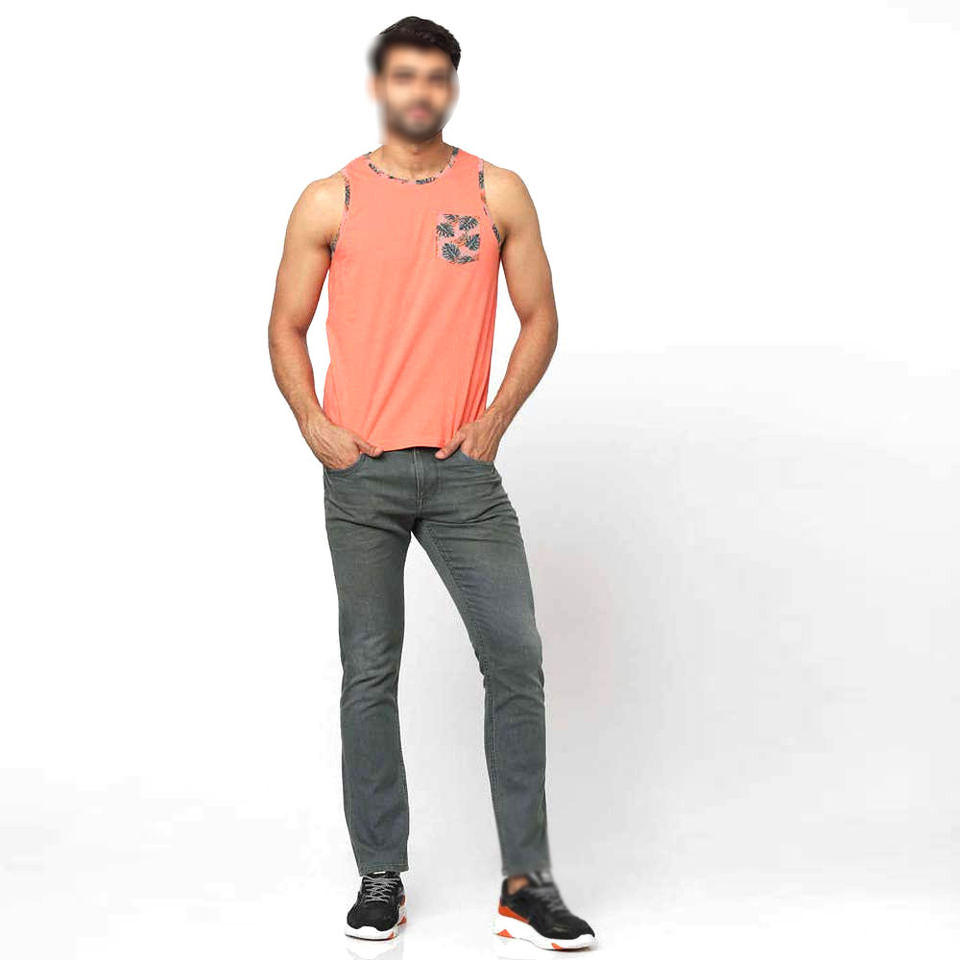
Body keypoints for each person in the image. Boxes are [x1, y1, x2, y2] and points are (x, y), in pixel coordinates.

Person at [267, 15, 597, 952]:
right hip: (361, 475)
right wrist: (315, 426)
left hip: (463, 477)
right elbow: (285, 325)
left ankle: (526, 883)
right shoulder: (329, 199)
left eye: (437, 76)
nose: (422, 91)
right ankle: (381, 873)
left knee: (516, 660)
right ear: (381, 85)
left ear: (451, 87)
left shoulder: (495, 190)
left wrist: (493, 423)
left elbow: (540, 316)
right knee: (369, 671)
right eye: (406, 75)